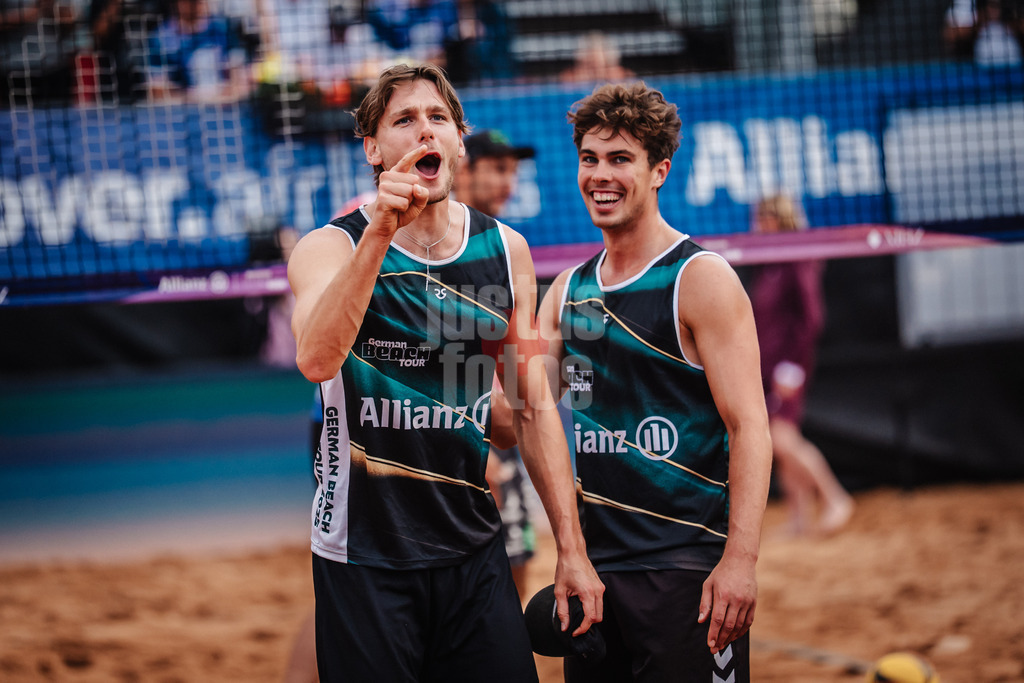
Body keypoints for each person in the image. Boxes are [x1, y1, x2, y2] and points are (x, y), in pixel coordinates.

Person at [286, 62, 602, 682]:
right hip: (365, 555)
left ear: (459, 139)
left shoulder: (504, 249)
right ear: (374, 148)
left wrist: (572, 548)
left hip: (471, 549)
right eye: (404, 120)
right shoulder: (331, 247)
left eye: (438, 118)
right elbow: (316, 359)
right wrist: (380, 228)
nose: (425, 131)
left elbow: (532, 410)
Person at [535, 82, 773, 682]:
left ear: (659, 170)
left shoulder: (699, 278)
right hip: (594, 576)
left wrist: (740, 562)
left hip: (685, 570)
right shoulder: (567, 292)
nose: (600, 175)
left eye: (620, 159)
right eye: (590, 158)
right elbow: (516, 415)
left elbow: (751, 427)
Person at [452, 128, 537, 601]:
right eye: (500, 169)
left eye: (515, 172)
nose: (510, 182)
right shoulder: (428, 236)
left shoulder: (505, 246)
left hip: (494, 415)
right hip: (437, 423)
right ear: (465, 168)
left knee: (516, 552)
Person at [748, 194, 854, 537]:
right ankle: (799, 519)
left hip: (787, 369)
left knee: (782, 438)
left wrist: (791, 367)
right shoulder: (771, 262)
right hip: (767, 368)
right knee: (779, 439)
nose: (756, 226)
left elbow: (811, 319)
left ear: (779, 220)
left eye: (763, 218)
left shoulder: (798, 258)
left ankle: (836, 498)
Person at [146, 0, 252, 103]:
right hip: (184, 112)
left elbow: (241, 81)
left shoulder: (222, 28)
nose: (195, 4)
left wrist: (225, 95)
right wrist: (195, 98)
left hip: (226, 108)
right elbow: (157, 91)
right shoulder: (161, 38)